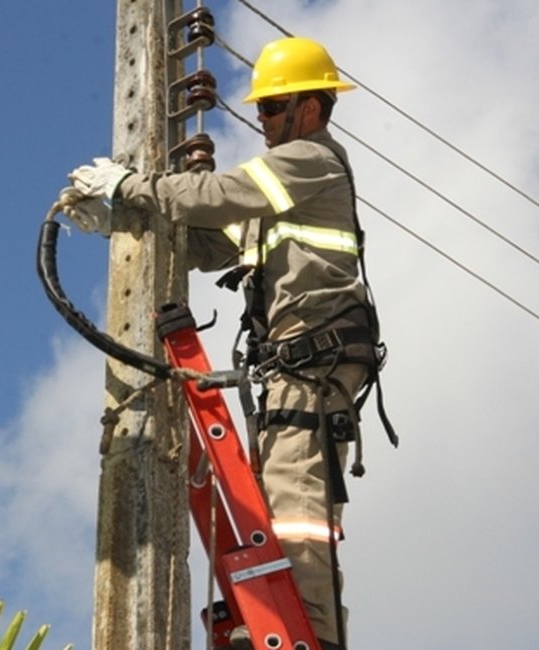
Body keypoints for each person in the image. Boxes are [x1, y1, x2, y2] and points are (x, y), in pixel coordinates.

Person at [68, 36, 390, 650]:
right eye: (263, 110)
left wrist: (134, 185)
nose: (263, 121)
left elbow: (221, 197)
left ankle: (311, 636)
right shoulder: (283, 189)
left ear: (310, 109)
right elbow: (209, 244)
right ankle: (277, 613)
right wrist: (125, 217)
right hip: (292, 369)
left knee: (297, 511)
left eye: (271, 109)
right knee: (272, 506)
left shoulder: (313, 160)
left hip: (315, 366)